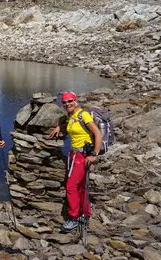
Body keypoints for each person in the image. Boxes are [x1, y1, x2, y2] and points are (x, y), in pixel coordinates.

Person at [49, 91, 102, 232]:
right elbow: (71, 125)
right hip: (75, 154)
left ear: (76, 101)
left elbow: (97, 133)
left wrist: (95, 155)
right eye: (64, 102)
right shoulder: (72, 116)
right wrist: (61, 126)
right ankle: (85, 213)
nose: (67, 104)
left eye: (70, 101)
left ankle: (73, 217)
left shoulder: (83, 114)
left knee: (71, 186)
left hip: (81, 156)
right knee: (80, 186)